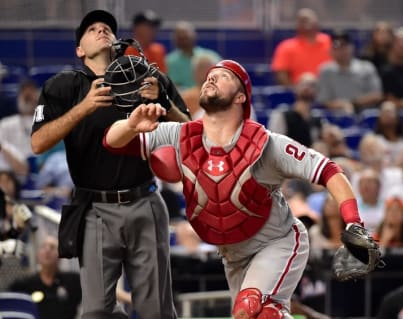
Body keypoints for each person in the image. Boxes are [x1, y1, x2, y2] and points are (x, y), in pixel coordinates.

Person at [104, 59, 370, 319]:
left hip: (277, 242)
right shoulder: (180, 134)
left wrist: (354, 223)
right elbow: (111, 142)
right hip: (232, 256)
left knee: (253, 309)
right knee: (255, 313)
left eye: (223, 76)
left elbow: (329, 171)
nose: (212, 77)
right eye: (210, 75)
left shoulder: (266, 143)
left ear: (241, 97)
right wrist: (129, 125)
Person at [30, 10, 189, 319]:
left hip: (145, 200)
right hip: (94, 207)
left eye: (107, 28)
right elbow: (37, 143)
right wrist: (84, 107)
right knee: (96, 311)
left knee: (155, 309)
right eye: (92, 29)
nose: (102, 30)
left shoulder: (149, 79)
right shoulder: (65, 86)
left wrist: (164, 104)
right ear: (79, 49)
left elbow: (190, 132)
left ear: (117, 42)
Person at [9, 236, 82, 319]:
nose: (47, 250)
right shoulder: (23, 285)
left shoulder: (73, 282)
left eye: (52, 247)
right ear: (38, 254)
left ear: (60, 255)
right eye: (44, 247)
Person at [316, 30, 383, 114]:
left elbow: (377, 95)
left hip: (365, 113)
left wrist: (353, 103)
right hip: (336, 116)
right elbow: (323, 100)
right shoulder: (325, 70)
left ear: (352, 47)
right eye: (337, 47)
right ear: (331, 50)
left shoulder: (367, 67)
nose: (341, 51)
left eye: (344, 46)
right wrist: (342, 105)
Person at [271, 8, 332, 86]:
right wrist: (294, 91)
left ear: (317, 22)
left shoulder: (330, 43)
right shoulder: (286, 47)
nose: (306, 23)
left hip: (329, 94)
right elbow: (281, 75)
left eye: (308, 20)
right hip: (299, 94)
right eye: (301, 21)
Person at [267, 72, 322, 147]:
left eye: (311, 85)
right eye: (303, 84)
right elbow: (274, 142)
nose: (307, 88)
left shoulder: (317, 118)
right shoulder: (282, 114)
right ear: (296, 87)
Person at [167, 20, 222, 90]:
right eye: (180, 38)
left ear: (194, 36)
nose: (183, 41)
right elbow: (172, 86)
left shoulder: (210, 57)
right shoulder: (170, 61)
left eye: (185, 37)